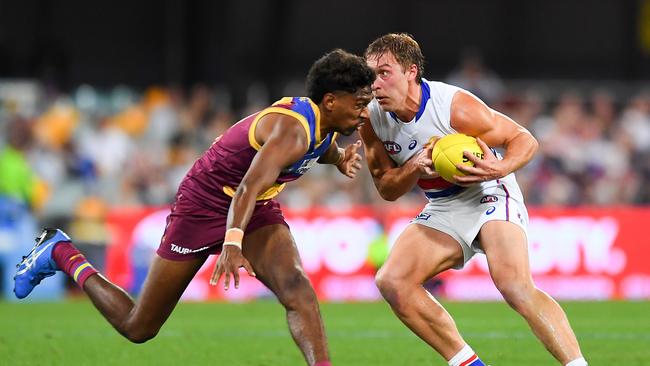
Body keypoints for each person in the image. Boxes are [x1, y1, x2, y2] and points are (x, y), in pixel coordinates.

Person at [14, 48, 375, 366]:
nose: (364, 113)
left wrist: (339, 158)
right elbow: (247, 185)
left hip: (254, 207)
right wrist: (233, 243)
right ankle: (60, 251)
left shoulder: (322, 125)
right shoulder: (292, 132)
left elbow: (318, 147)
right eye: (359, 103)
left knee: (297, 287)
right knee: (138, 326)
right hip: (205, 203)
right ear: (330, 101)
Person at [360, 33, 587, 366]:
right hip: (443, 203)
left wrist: (500, 166)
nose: (375, 84)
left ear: (410, 71)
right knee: (393, 281)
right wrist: (414, 166)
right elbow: (387, 189)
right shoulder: (372, 120)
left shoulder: (452, 106)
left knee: (513, 284)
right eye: (370, 75)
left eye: (384, 72)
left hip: (489, 190)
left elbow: (523, 140)